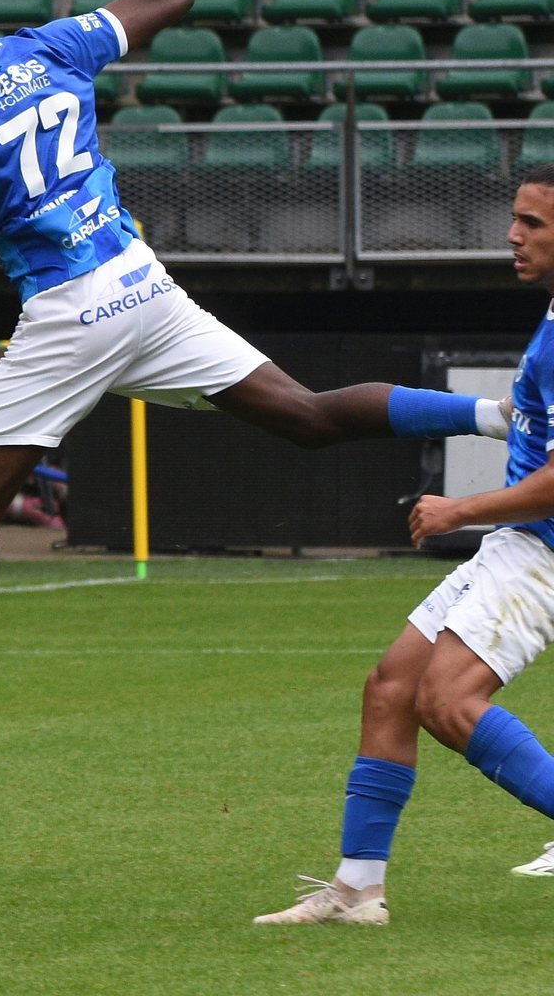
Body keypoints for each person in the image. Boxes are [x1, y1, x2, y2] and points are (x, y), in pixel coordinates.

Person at [0, 0, 510, 805]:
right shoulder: (60, 44)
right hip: (141, 283)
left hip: (73, 305)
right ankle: (510, 415)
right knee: (307, 416)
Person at [254, 168, 554, 924]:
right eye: (515, 218)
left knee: (448, 701)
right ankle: (357, 891)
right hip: (521, 545)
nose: (513, 235)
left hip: (544, 553)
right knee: (391, 690)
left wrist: (464, 509)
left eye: (533, 224)